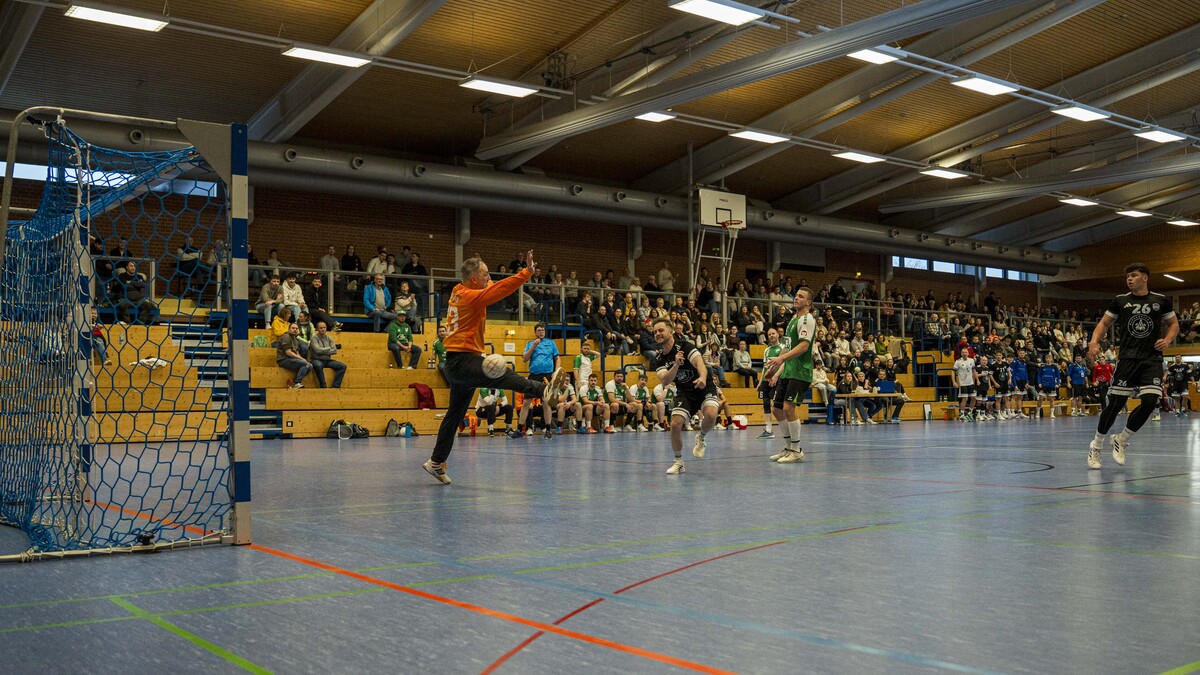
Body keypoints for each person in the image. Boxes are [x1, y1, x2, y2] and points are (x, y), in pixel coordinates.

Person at [423, 251, 564, 485]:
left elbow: (494, 286)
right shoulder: (472, 297)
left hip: (457, 364)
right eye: (486, 274)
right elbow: (500, 289)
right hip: (463, 362)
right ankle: (544, 390)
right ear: (474, 279)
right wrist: (527, 272)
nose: (490, 278)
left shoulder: (459, 290)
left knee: (454, 415)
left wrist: (505, 277)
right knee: (502, 373)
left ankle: (436, 462)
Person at [1087, 263, 1179, 469]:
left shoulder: (1160, 300)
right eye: (1128, 276)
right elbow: (1104, 323)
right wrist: (1093, 342)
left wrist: (1167, 339)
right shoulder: (1120, 300)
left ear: (1145, 278)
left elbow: (1173, 324)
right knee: (1116, 404)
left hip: (1152, 359)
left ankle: (1122, 439)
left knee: (1150, 402)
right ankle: (1096, 445)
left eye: (1134, 275)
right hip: (1128, 359)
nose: (1129, 279)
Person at [650, 316, 720, 474]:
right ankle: (679, 462)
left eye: (661, 330)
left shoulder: (685, 346)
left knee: (711, 415)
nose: (658, 334)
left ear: (671, 332)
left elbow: (699, 363)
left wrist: (702, 378)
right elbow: (665, 380)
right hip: (685, 391)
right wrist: (676, 364)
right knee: (675, 424)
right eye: (655, 332)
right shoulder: (659, 358)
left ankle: (701, 437)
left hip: (703, 386)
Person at [517, 323, 561, 439]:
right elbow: (524, 359)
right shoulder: (530, 343)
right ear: (535, 332)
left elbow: (557, 358)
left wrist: (556, 371)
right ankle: (519, 429)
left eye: (542, 330)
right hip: (533, 376)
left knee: (546, 403)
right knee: (526, 402)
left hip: (547, 376)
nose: (541, 332)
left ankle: (548, 429)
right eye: (539, 330)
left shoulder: (551, 343)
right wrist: (533, 346)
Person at [757, 328, 782, 438]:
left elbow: (783, 364)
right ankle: (768, 429)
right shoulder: (767, 350)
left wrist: (775, 376)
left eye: (773, 333)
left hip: (776, 379)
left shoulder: (782, 348)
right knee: (766, 403)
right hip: (765, 380)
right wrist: (760, 381)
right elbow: (765, 367)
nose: (771, 335)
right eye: (769, 334)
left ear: (778, 335)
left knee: (774, 405)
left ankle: (785, 427)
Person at [308, 321, 346, 388]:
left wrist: (323, 350)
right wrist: (329, 348)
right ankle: (323, 386)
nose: (323, 329)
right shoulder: (314, 338)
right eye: (321, 328)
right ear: (317, 329)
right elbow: (317, 350)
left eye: (324, 327)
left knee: (342, 366)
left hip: (327, 360)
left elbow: (334, 351)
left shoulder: (329, 338)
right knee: (318, 365)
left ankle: (335, 386)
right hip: (316, 359)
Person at [274, 322, 310, 388]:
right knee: (305, 364)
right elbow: (288, 352)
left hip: (292, 359)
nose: (295, 330)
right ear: (289, 329)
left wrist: (301, 358)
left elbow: (297, 352)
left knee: (310, 366)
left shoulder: (295, 339)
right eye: (293, 328)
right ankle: (296, 383)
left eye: (296, 328)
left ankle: (293, 382)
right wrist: (302, 359)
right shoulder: (286, 337)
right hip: (283, 359)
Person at [953, 347, 977, 422]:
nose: (964, 354)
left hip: (971, 383)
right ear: (961, 353)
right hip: (963, 383)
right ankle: (962, 414)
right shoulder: (958, 362)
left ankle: (970, 412)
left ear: (968, 353)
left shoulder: (971, 360)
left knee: (974, 398)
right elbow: (953, 371)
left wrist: (977, 379)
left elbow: (973, 370)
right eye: (963, 352)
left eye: (966, 352)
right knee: (965, 398)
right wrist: (954, 382)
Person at [1035, 353, 1061, 419]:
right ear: (1045, 359)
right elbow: (1039, 375)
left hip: (1052, 385)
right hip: (1044, 385)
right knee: (1040, 398)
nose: (1048, 359)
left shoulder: (1054, 366)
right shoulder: (1042, 366)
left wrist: (1058, 383)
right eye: (1047, 358)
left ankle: (1052, 413)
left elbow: (1058, 375)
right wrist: (1039, 383)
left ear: (1051, 359)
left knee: (1051, 399)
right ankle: (1038, 412)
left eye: (1049, 358)